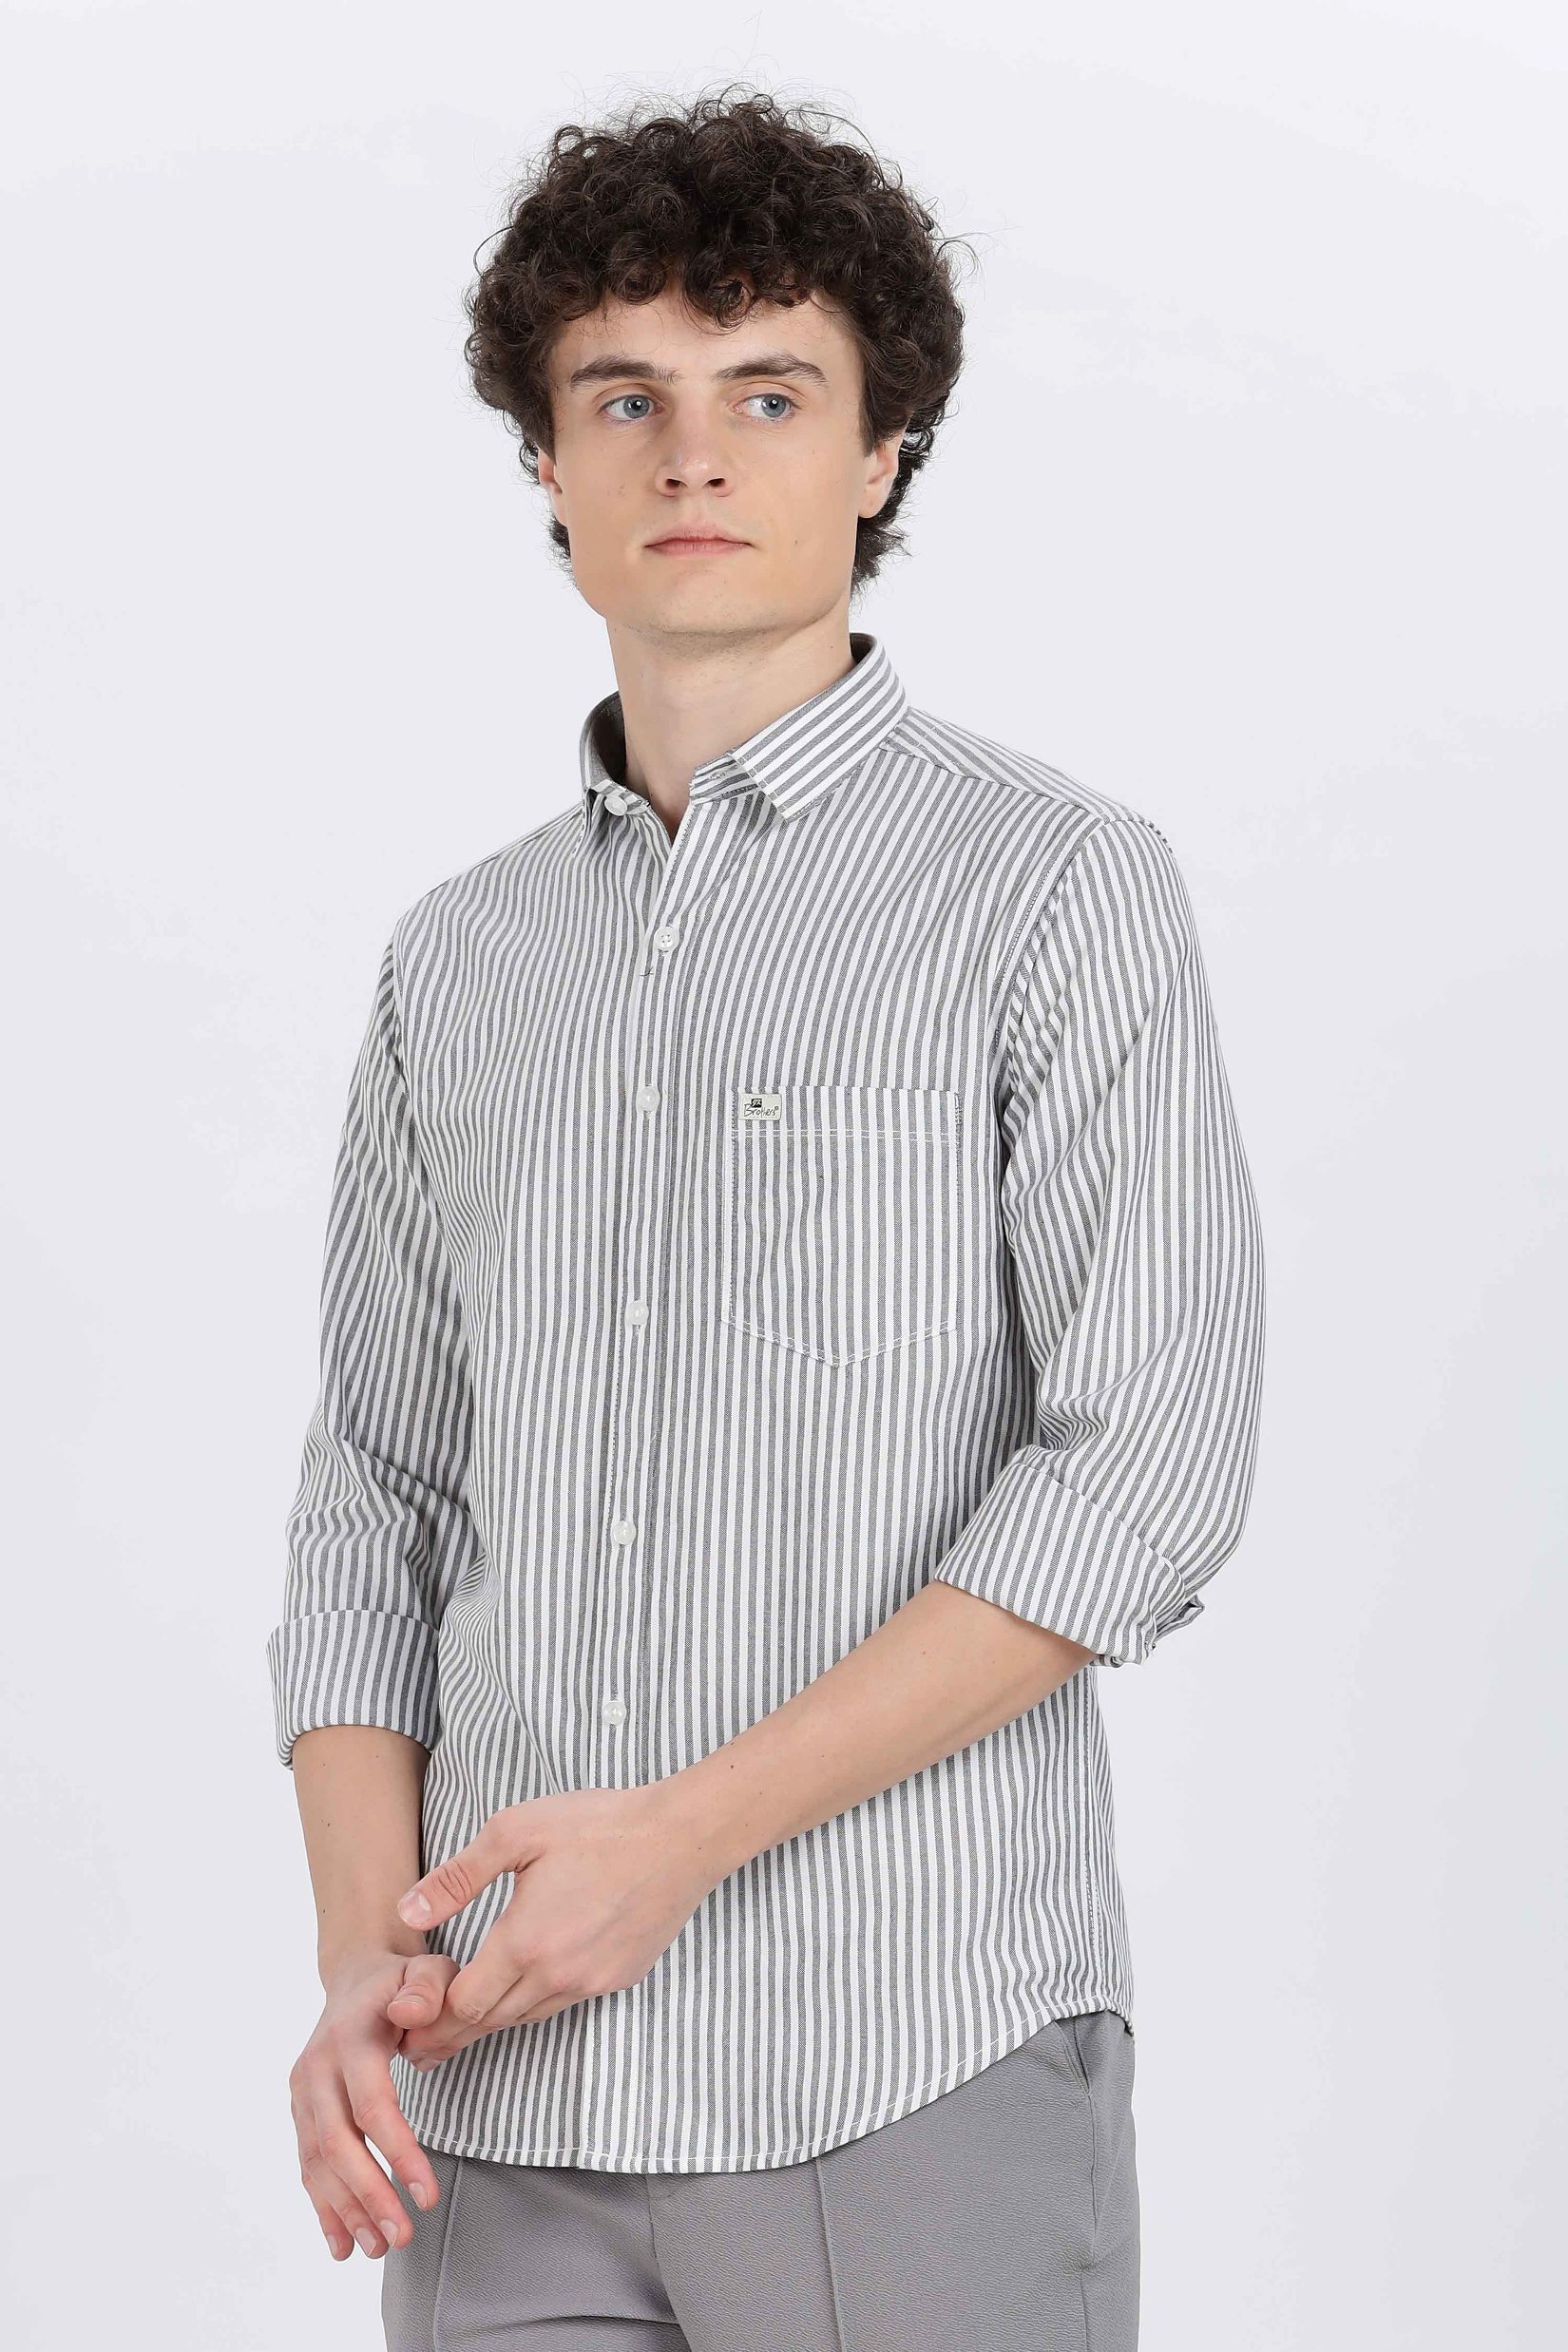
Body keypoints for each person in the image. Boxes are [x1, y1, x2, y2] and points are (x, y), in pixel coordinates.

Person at [267, 86, 1267, 2352]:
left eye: (771, 393)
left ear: (884, 448)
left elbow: (1149, 1467)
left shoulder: (1053, 888)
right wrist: (355, 1958)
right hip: (491, 2097)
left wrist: (678, 1840)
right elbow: (373, 1497)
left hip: (904, 2047)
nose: (693, 455)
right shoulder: (459, 960)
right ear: (547, 460)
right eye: (625, 396)